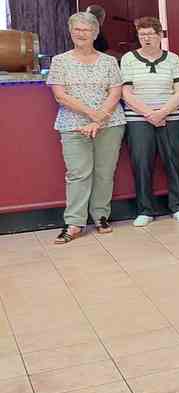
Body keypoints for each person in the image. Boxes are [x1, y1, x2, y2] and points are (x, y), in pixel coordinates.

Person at [46, 12, 128, 243]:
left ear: (95, 33)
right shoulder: (60, 61)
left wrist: (98, 120)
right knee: (78, 174)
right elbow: (60, 95)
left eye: (86, 29)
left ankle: (101, 216)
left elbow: (115, 92)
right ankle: (74, 223)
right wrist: (92, 115)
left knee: (104, 172)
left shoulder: (109, 61)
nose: (81, 33)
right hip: (73, 125)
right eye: (77, 29)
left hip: (110, 124)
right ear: (70, 31)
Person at [120, 16, 179, 226]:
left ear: (160, 35)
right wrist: (150, 114)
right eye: (142, 35)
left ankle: (178, 206)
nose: (147, 38)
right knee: (141, 163)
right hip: (138, 119)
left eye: (151, 34)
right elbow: (126, 92)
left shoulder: (173, 59)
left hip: (171, 117)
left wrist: (162, 113)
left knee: (173, 161)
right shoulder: (128, 59)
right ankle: (145, 210)